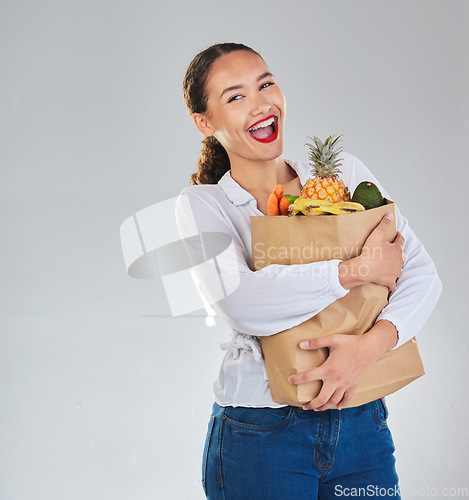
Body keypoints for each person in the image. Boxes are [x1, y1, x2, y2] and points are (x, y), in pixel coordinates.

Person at [175, 42, 442, 499]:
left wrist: (368, 348)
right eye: (235, 97)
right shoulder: (205, 205)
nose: (260, 103)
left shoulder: (345, 177)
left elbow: (421, 274)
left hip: (362, 420)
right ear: (205, 122)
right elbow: (242, 304)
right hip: (261, 430)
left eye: (266, 84)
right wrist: (354, 271)